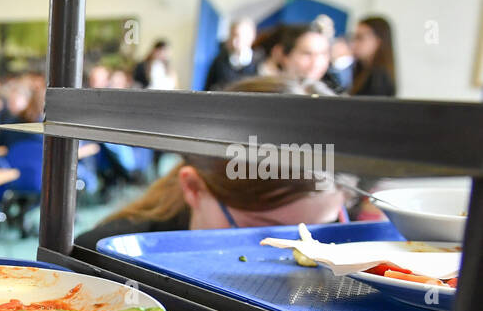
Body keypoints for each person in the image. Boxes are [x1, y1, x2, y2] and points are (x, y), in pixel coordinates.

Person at [77, 78, 349, 250]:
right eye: (265, 233)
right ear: (193, 188)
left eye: (318, 234)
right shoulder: (108, 258)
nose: (300, 256)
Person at [203, 18, 259, 90]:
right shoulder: (219, 61)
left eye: (238, 36)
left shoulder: (260, 62)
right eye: (232, 36)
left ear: (251, 37)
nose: (234, 41)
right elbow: (207, 89)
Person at [349, 16, 397, 97]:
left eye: (360, 38)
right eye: (354, 38)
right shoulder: (360, 70)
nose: (353, 44)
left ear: (378, 41)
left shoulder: (380, 81)